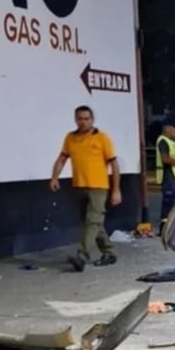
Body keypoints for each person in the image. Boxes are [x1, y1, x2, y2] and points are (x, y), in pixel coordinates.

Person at [49, 105, 122, 272]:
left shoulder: (102, 138)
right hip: (79, 186)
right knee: (93, 223)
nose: (83, 122)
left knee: (92, 222)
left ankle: (82, 257)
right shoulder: (70, 138)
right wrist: (54, 177)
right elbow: (61, 159)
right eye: (80, 119)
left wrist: (116, 189)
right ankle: (109, 252)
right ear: (75, 119)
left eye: (86, 119)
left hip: (98, 187)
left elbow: (114, 165)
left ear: (92, 120)